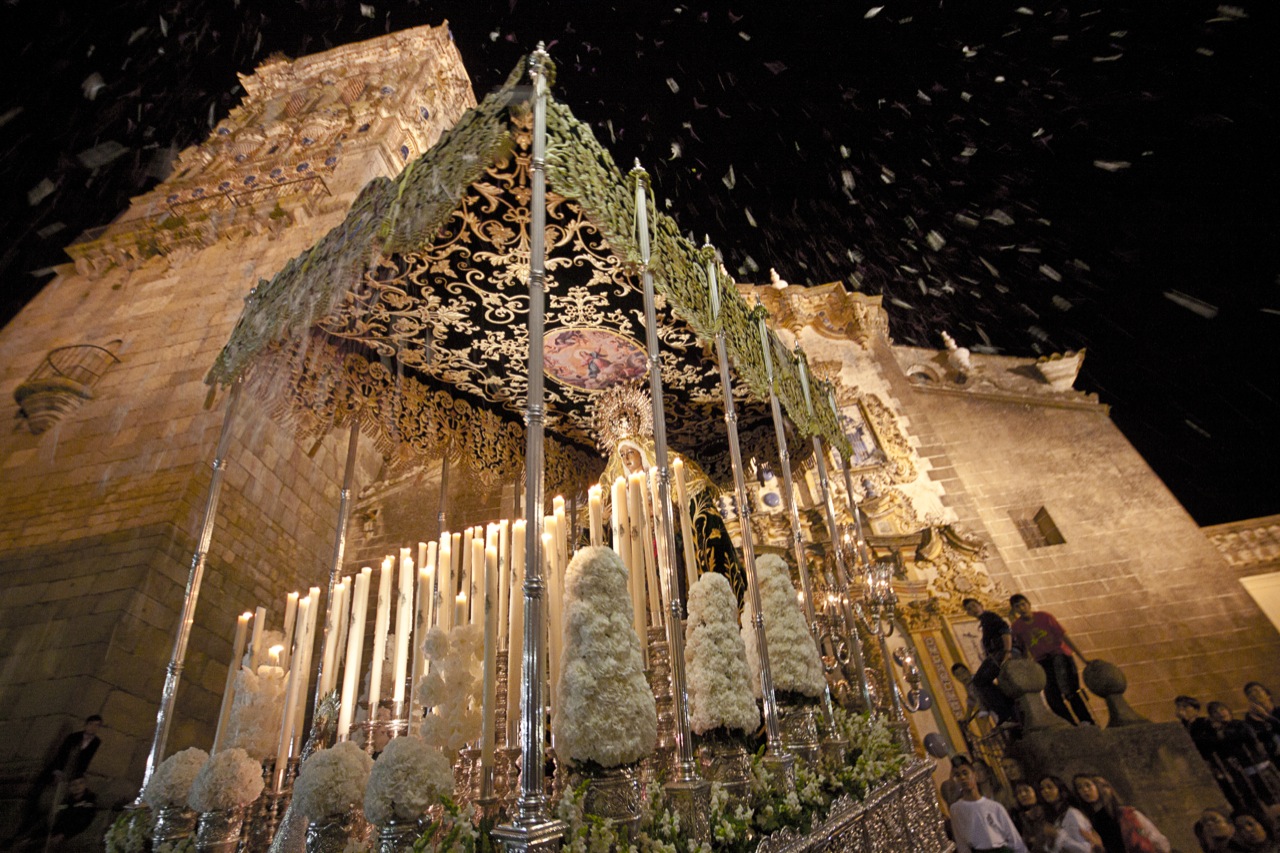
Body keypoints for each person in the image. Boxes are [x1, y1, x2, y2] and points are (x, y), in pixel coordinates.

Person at [1009, 594, 1095, 726]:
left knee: (1069, 690)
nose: (1021, 608)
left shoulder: (1044, 617)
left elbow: (1063, 636)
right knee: (1052, 697)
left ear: (1028, 604)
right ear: (1014, 610)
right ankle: (1070, 725)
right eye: (1017, 606)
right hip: (1042, 660)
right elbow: (1023, 648)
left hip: (1058, 654)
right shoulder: (1017, 627)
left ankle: (1086, 721)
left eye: (1023, 604)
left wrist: (1082, 657)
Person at [1074, 774, 1170, 853]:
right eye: (1080, 788)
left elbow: (1157, 839)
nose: (1085, 790)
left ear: (1098, 786)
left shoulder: (1126, 814)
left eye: (1088, 785)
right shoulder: (1088, 822)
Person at [950, 762, 1028, 853]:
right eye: (957, 775)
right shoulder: (956, 809)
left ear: (975, 775)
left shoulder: (995, 807)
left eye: (965, 773)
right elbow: (961, 842)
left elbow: (1013, 837)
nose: (962, 778)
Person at [963, 598, 1018, 727]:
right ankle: (1008, 712)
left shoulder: (989, 617)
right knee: (982, 681)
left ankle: (1006, 713)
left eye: (973, 606)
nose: (972, 610)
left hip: (1000, 653)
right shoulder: (985, 621)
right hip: (997, 654)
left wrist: (1008, 652)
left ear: (981, 605)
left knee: (979, 681)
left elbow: (1004, 630)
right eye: (969, 609)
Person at [1037, 774, 1103, 853]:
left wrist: (1057, 835)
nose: (1045, 791)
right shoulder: (1055, 817)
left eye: (1050, 787)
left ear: (1061, 790)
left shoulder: (1072, 814)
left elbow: (1085, 849)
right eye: (1042, 789)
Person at [1243, 683, 1280, 763]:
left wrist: (1266, 716)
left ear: (1268, 695)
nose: (1254, 693)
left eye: (1257, 690)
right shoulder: (1250, 719)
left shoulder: (1278, 711)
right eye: (1250, 692)